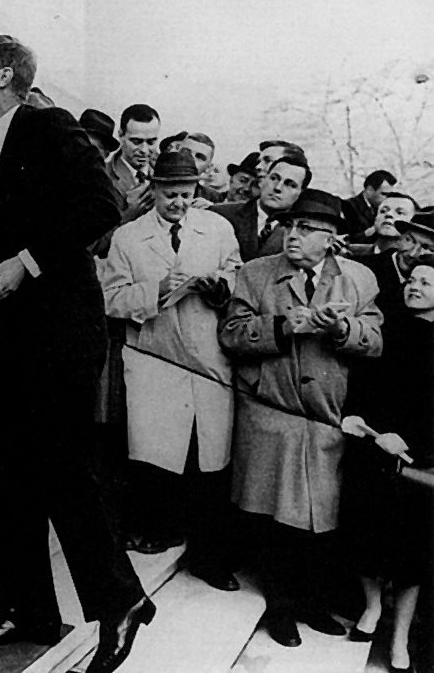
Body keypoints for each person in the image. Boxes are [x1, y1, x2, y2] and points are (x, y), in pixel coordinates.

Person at [0, 35, 153, 673]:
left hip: (63, 330)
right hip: (13, 334)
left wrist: (28, 260)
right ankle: (28, 609)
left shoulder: (49, 126)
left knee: (61, 467)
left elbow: (100, 207)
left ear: (3, 75)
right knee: (6, 469)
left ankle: (121, 601)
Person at [220, 188, 383, 648]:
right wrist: (284, 326)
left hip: (326, 419)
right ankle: (281, 607)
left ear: (331, 239)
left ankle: (311, 603)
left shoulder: (358, 280)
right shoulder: (254, 275)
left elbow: (375, 338)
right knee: (274, 519)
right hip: (271, 412)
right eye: (291, 226)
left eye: (307, 228)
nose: (294, 234)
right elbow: (231, 334)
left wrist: (342, 329)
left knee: (318, 519)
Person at [101, 149, 242, 589]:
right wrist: (155, 289)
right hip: (153, 356)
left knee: (209, 458)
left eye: (185, 194)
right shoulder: (128, 237)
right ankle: (155, 532)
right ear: (154, 190)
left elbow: (238, 275)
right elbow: (109, 299)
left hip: (207, 357)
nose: (178, 203)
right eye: (169, 194)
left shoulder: (217, 228)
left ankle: (208, 557)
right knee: (157, 455)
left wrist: (219, 285)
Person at [341, 256, 434, 673]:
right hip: (371, 447)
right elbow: (361, 379)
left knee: (412, 555)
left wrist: (412, 441)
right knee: (366, 537)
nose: (415, 286)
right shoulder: (384, 328)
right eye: (412, 279)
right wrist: (358, 418)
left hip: (418, 460)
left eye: (427, 282)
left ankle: (400, 641)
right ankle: (372, 607)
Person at [210, 153, 309, 261]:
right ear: (263, 180)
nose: (278, 187)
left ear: (301, 193)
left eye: (290, 184)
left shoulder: (301, 233)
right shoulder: (221, 214)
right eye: (274, 178)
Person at [107, 104, 161, 225]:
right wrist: (128, 216)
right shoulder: (103, 177)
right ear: (121, 135)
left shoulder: (165, 172)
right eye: (137, 141)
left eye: (151, 142)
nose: (144, 150)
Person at [342, 169, 397, 240]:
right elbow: (346, 239)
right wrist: (373, 229)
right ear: (369, 190)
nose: (387, 198)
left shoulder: (383, 209)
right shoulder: (348, 206)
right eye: (384, 194)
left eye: (390, 195)